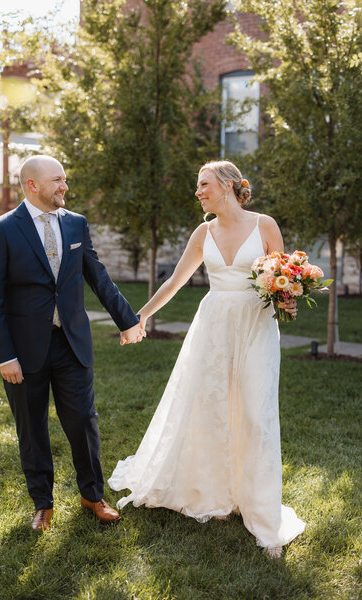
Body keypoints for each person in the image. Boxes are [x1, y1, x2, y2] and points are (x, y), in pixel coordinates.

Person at [109, 160, 305, 557]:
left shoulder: (265, 225)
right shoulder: (204, 232)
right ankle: (215, 494)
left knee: (256, 414)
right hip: (213, 328)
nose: (197, 191)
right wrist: (139, 316)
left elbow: (286, 279)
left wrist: (290, 293)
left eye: (203, 184)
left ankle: (265, 520)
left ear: (229, 185)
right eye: (197, 186)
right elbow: (175, 281)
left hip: (256, 327)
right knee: (211, 408)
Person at [0, 155, 145, 532]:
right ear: (32, 185)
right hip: (23, 351)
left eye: (65, 180)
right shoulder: (2, 230)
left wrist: (128, 320)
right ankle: (43, 504)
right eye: (57, 180)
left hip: (72, 344)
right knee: (32, 428)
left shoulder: (75, 224)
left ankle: (92, 495)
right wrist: (5, 356)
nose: (64, 187)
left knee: (83, 422)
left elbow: (98, 277)